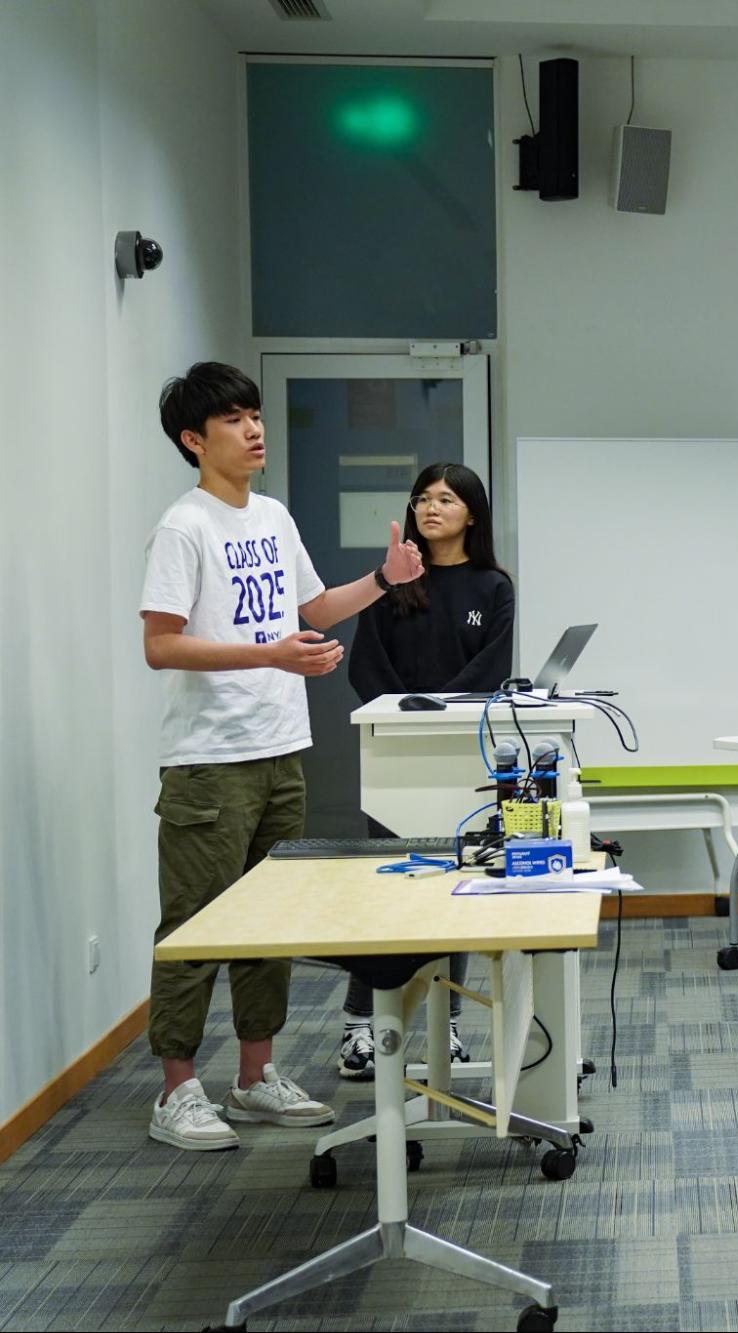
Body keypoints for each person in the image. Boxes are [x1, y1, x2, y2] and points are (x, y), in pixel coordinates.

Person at [141, 363, 424, 1151]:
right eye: (234, 419)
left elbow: (314, 608)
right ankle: (176, 1088)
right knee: (195, 924)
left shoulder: (271, 515)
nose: (255, 429)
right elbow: (160, 644)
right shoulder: (184, 526)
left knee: (272, 919)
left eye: (256, 414)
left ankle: (255, 1075)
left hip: (279, 749)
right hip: (208, 759)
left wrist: (381, 578)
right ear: (195, 440)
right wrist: (267, 656)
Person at [337, 462, 515, 1079]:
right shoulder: (391, 581)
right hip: (394, 756)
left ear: (472, 512)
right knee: (389, 890)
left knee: (457, 891)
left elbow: (490, 669)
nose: (429, 508)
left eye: (445, 499)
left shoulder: (493, 586)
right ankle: (360, 1027)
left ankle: (449, 1026)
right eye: (422, 499)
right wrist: (404, 715)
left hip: (461, 758)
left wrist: (440, 713)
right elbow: (367, 665)